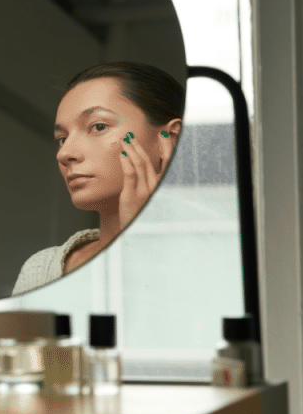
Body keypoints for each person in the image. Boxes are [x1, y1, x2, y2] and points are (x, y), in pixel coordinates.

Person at [12, 62, 184, 295]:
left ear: (171, 138)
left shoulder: (215, 256)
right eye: (62, 138)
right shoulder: (43, 270)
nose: (64, 154)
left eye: (98, 126)